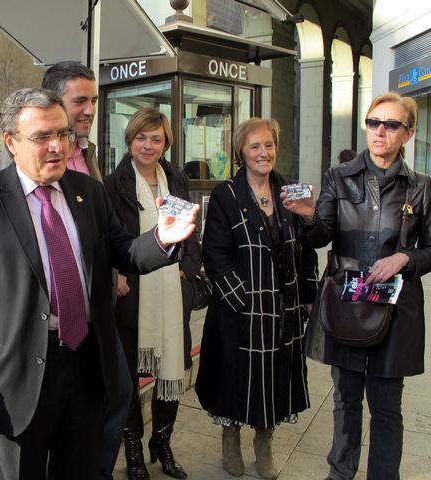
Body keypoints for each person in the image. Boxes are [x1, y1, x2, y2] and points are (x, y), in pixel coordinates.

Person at [0, 88, 199, 480]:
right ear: (11, 141)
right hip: (19, 379)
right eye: (42, 136)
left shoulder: (89, 192)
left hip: (87, 367)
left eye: (62, 134)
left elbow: (125, 252)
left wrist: (162, 239)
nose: (57, 146)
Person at [284, 92, 431, 480]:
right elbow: (320, 236)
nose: (380, 131)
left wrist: (405, 259)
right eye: (373, 122)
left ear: (408, 133)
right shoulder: (339, 176)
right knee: (346, 399)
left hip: (396, 310)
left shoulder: (421, 187)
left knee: (386, 407)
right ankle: (340, 473)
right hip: (347, 302)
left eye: (391, 124)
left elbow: (430, 249)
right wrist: (309, 216)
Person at [195, 117, 319, 479]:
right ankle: (230, 438)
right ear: (241, 151)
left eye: (269, 145)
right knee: (234, 377)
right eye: (255, 146)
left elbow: (312, 245)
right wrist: (242, 300)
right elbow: (214, 253)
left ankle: (264, 442)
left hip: (283, 309)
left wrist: (311, 217)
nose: (263, 153)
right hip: (239, 309)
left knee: (275, 378)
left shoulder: (289, 191)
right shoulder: (226, 195)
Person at [104, 108, 201, 480]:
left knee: (171, 370)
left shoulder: (176, 179)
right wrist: (116, 274)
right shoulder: (113, 185)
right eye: (141, 137)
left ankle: (162, 443)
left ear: (166, 143)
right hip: (133, 294)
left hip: (172, 293)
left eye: (156, 139)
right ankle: (133, 450)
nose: (148, 145)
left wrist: (187, 268)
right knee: (129, 378)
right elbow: (108, 241)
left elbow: (191, 233)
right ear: (130, 140)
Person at [0, 61, 100, 179]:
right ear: (52, 101)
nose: (90, 111)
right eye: (79, 101)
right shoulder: (18, 154)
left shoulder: (88, 151)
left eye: (93, 101)